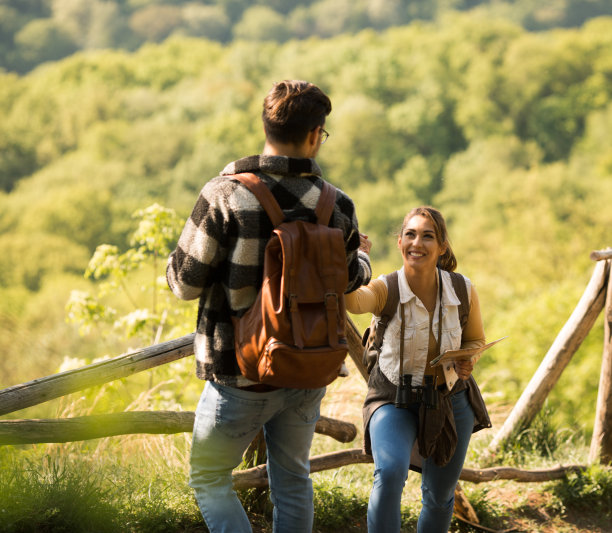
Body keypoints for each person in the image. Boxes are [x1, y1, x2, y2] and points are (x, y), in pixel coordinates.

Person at [166, 80, 372, 533]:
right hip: (308, 369)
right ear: (315, 135)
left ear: (266, 125)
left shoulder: (224, 195)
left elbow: (183, 284)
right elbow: (353, 278)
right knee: (294, 478)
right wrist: (363, 259)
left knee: (209, 478)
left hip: (241, 375)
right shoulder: (337, 205)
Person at [346, 206, 491, 533]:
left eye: (428, 236)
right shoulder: (387, 288)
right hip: (393, 399)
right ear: (399, 243)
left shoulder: (463, 289)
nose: (417, 242)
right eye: (410, 234)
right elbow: (353, 301)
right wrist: (356, 259)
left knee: (439, 496)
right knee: (390, 472)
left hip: (451, 401)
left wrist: (469, 359)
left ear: (441, 246)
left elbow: (476, 339)